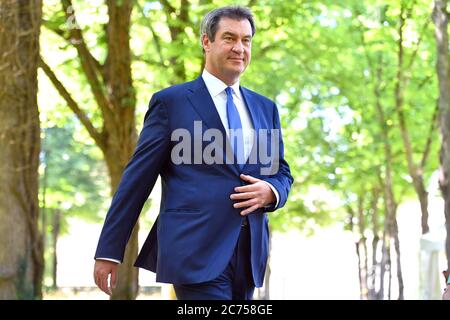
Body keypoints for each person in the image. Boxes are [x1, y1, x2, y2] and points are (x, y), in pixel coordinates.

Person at [93, 5, 293, 300]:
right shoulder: (170, 103)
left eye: (246, 40)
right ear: (206, 41)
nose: (239, 48)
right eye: (229, 38)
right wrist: (110, 250)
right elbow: (136, 181)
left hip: (249, 253)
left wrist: (272, 192)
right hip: (193, 251)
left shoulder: (266, 109)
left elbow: (281, 172)